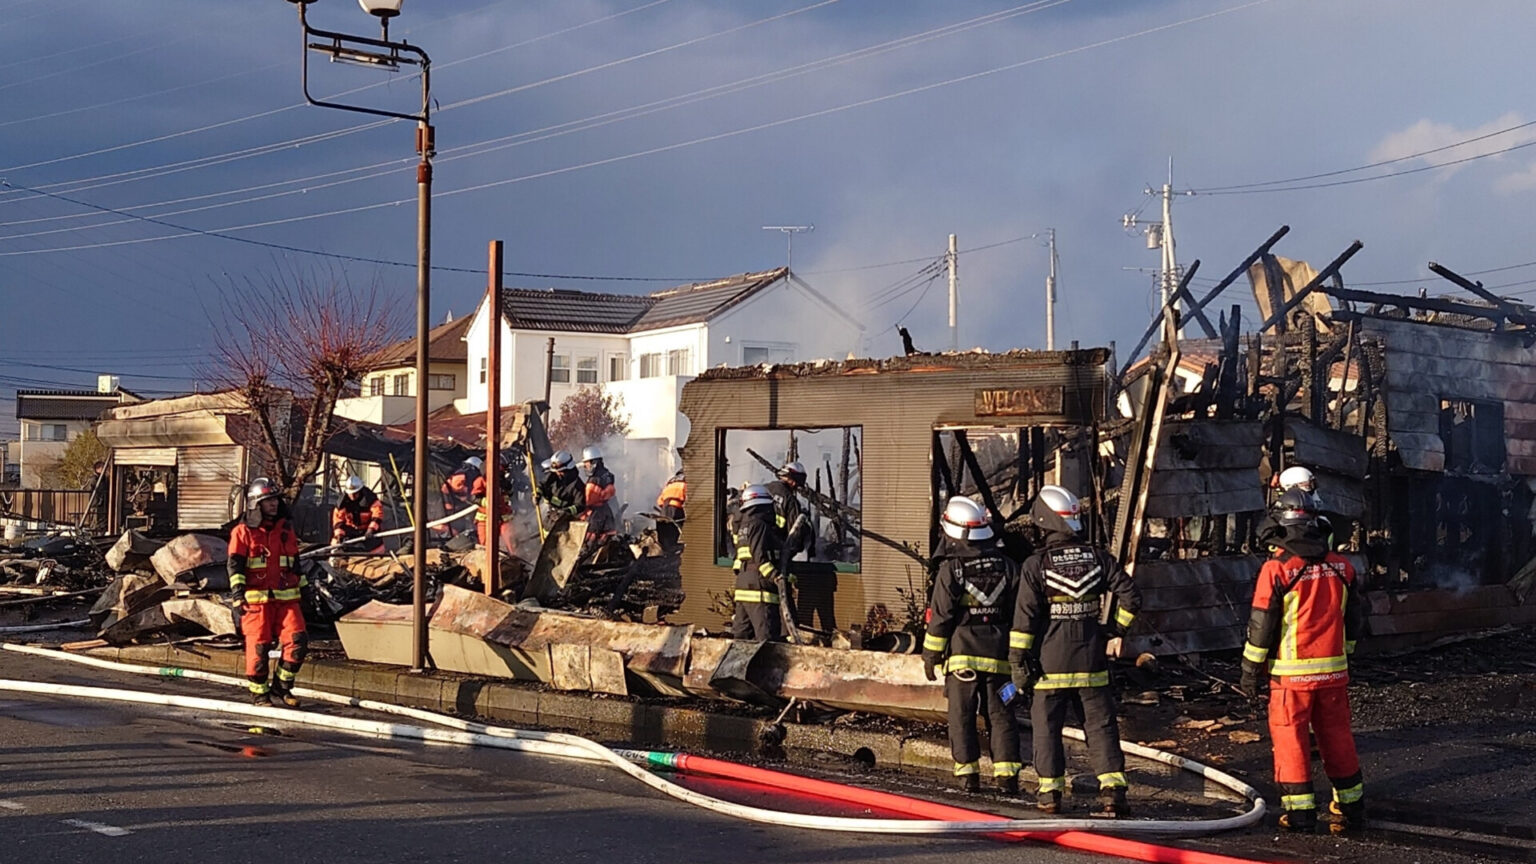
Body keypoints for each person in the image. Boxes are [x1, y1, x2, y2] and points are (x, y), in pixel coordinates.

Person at [1240, 488, 1367, 834]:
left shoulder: (1278, 569)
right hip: (1335, 674)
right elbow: (1355, 619)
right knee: (1338, 736)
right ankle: (1351, 806)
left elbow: (1261, 625)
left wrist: (1250, 670)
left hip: (1290, 678)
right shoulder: (1343, 567)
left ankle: (1300, 814)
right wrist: (1346, 653)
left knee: (1291, 741)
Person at [1010, 484, 1141, 817]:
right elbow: (1131, 596)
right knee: (1100, 729)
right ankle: (1113, 794)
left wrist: (1017, 663)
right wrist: (1113, 630)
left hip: (1049, 668)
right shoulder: (1098, 558)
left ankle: (1050, 797)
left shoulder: (1035, 565)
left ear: (1045, 522)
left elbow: (1024, 622)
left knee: (1047, 730)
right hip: (1092, 663)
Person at [922, 496, 1021, 794]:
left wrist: (931, 655)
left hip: (963, 657)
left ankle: (968, 776)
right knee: (1001, 715)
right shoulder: (1008, 565)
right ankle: (1007, 777)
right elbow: (1021, 611)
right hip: (1000, 656)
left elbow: (941, 618)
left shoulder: (951, 569)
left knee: (962, 716)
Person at [227, 478, 309, 708]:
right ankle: (259, 694)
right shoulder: (243, 532)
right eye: (268, 500)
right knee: (259, 648)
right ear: (255, 503)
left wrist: (305, 590)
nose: (274, 504)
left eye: (275, 499)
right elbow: (235, 565)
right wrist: (237, 593)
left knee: (298, 641)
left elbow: (294, 563)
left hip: (286, 598)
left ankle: (282, 689)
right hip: (256, 601)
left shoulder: (286, 529)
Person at [731, 484, 784, 642]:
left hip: (743, 585)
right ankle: (765, 667)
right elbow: (759, 556)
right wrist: (775, 576)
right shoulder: (759, 524)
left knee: (741, 638)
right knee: (766, 640)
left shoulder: (743, 527)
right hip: (759, 587)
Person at [767, 461, 812, 558]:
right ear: (793, 480)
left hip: (757, 547)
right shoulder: (791, 500)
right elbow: (795, 533)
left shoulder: (765, 488)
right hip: (777, 551)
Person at [331, 474, 383, 552]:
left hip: (367, 531)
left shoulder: (370, 499)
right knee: (335, 545)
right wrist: (339, 536)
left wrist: (371, 529)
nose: (352, 496)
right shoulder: (342, 503)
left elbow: (377, 515)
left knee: (377, 548)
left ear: (360, 491)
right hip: (350, 531)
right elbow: (338, 521)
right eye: (350, 493)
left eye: (355, 493)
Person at [579, 445, 618, 542]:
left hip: (596, 517)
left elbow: (588, 501)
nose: (585, 466)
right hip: (608, 512)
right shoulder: (607, 474)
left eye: (586, 463)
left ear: (593, 463)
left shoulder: (594, 481)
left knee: (590, 543)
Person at [440, 456, 483, 537]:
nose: (465, 487)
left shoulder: (463, 500)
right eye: (461, 483)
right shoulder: (437, 499)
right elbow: (433, 524)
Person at [538, 451, 585, 521]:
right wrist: (537, 494)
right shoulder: (555, 475)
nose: (557, 473)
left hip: (565, 520)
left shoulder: (577, 485)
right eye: (556, 471)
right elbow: (542, 484)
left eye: (560, 471)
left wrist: (565, 512)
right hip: (549, 511)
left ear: (568, 469)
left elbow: (580, 506)